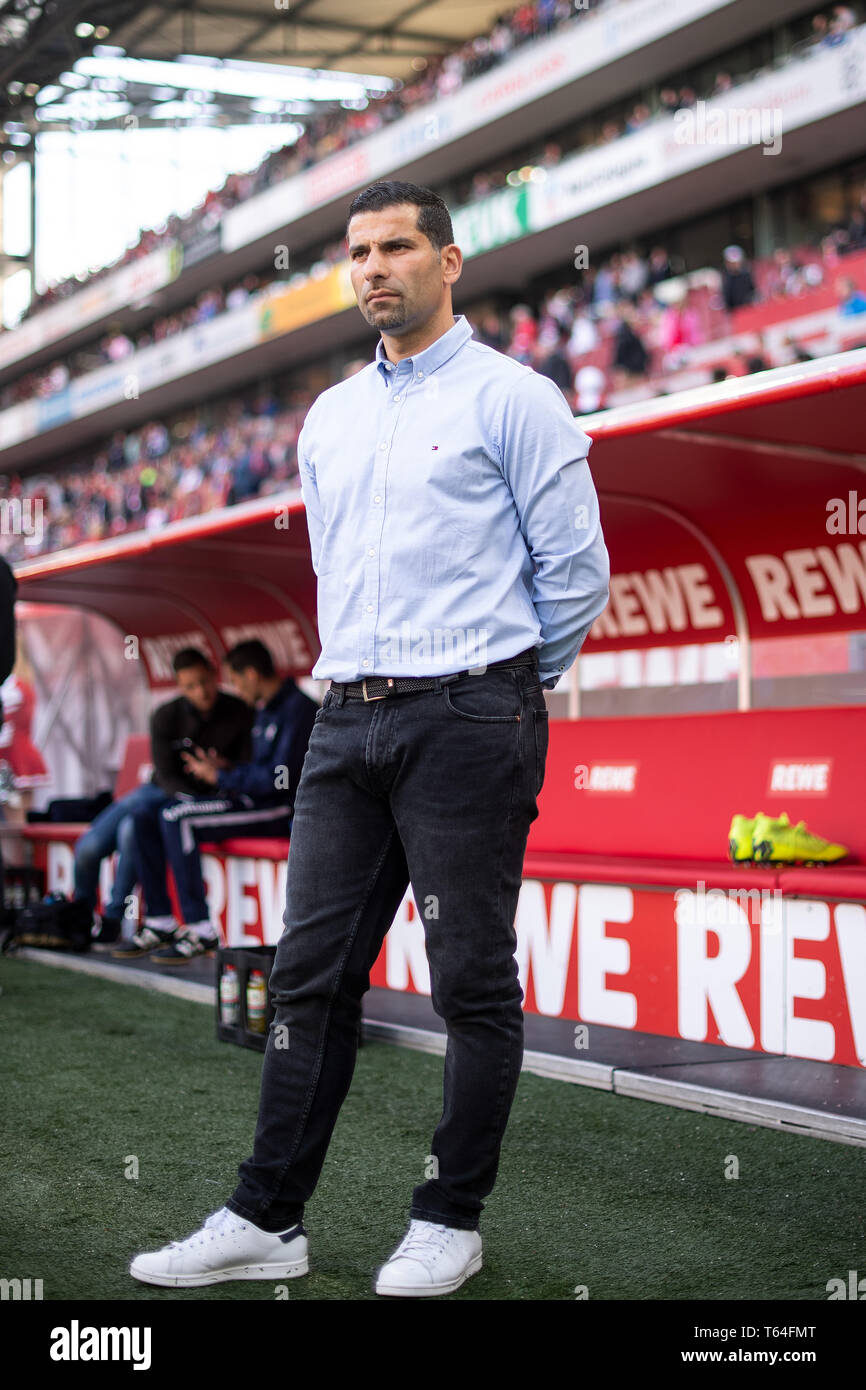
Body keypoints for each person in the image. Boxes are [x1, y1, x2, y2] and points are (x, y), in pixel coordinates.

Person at [130, 179, 610, 1297]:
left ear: (449, 262)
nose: (372, 267)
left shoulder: (515, 398)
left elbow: (575, 575)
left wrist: (493, 686)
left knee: (469, 986)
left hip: (468, 716)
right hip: (345, 721)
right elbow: (335, 575)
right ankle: (266, 1218)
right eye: (357, 251)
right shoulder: (328, 416)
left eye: (397, 246)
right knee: (308, 981)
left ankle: (450, 1218)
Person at [119, 639, 317, 964]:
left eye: (236, 680)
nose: (235, 689)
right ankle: (160, 920)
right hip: (251, 799)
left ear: (251, 675)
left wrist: (220, 778)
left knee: (176, 817)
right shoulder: (265, 708)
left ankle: (200, 928)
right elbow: (260, 768)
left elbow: (279, 782)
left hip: (277, 809)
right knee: (144, 814)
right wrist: (227, 768)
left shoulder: (297, 710)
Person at [77, 646, 253, 945]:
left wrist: (221, 770)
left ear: (214, 675)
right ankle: (78, 922)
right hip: (161, 792)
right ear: (179, 686)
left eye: (203, 682)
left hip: (205, 800)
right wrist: (186, 797)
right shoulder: (165, 715)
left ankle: (113, 917)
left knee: (133, 829)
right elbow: (166, 774)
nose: (201, 691)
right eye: (190, 686)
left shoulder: (239, 711)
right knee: (89, 847)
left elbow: (249, 766)